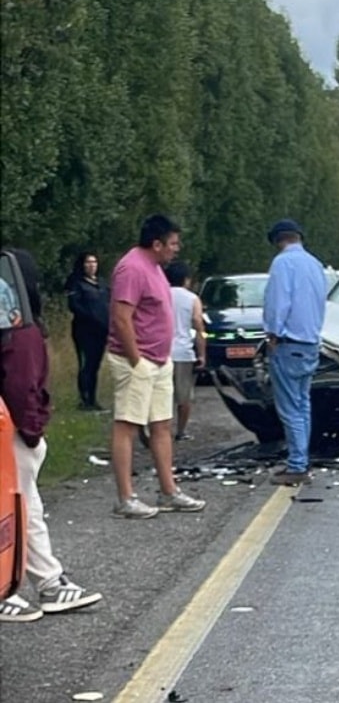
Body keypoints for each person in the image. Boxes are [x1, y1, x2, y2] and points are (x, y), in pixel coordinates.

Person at [0, 248, 102, 622]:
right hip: (12, 433)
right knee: (21, 509)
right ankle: (44, 585)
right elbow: (23, 386)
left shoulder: (10, 327)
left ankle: (49, 582)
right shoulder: (23, 330)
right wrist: (32, 431)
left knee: (26, 508)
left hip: (10, 428)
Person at [107, 215, 206, 519]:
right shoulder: (132, 268)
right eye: (173, 243)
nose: (177, 249)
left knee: (161, 425)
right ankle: (125, 498)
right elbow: (122, 317)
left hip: (160, 359)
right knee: (127, 425)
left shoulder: (155, 268)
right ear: (157, 243)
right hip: (136, 361)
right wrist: (136, 360)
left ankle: (169, 491)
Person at [262, 219, 328, 487]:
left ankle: (297, 465)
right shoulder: (315, 264)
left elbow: (279, 302)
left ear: (278, 241)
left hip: (289, 343)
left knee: (289, 409)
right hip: (311, 342)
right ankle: (300, 459)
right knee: (303, 405)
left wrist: (272, 334)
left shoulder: (282, 263)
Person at [65, 251, 111, 410]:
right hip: (84, 330)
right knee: (86, 364)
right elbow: (74, 306)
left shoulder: (103, 284)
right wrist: (91, 317)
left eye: (94, 262)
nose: (92, 265)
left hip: (101, 330)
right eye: (88, 262)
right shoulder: (77, 284)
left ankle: (93, 398)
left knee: (95, 364)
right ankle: (84, 399)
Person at [167, 261, 206, 442]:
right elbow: (198, 326)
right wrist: (202, 354)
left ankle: (160, 431)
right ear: (186, 280)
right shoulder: (192, 299)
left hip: (162, 352)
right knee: (184, 397)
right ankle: (181, 431)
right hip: (183, 352)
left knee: (162, 395)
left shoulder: (161, 295)